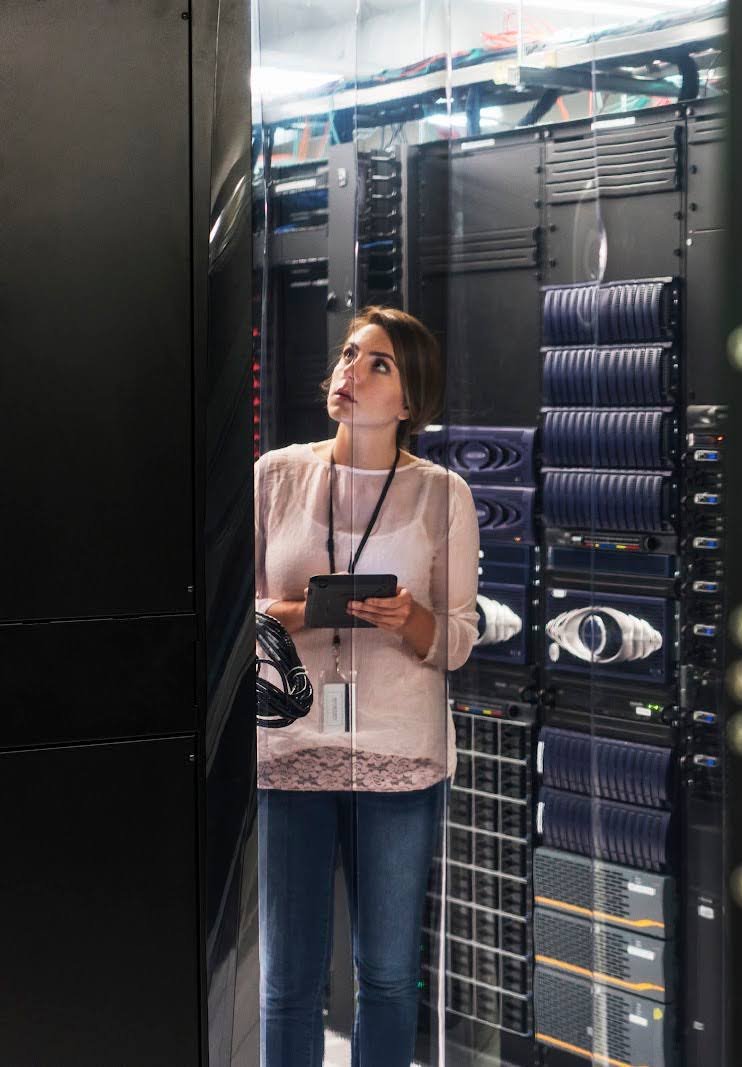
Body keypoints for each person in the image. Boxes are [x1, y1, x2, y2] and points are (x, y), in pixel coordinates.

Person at [253, 307, 479, 1066]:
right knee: (286, 980)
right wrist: (299, 609)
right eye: (350, 354)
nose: (350, 371)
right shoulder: (275, 476)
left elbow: (457, 638)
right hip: (291, 751)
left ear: (410, 400)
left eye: (377, 363)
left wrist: (410, 617)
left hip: (400, 760)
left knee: (386, 976)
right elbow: (235, 620)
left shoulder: (444, 494)